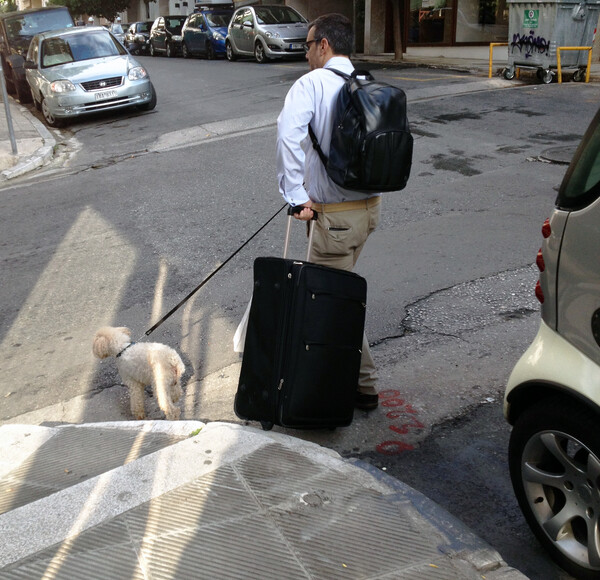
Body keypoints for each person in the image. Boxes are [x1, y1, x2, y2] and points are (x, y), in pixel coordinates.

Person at [276, 13, 381, 411]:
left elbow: (288, 136)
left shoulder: (314, 84)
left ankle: (363, 385)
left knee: (331, 301)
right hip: (369, 210)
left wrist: (296, 195)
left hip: (335, 217)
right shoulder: (366, 82)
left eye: (307, 45)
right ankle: (347, 376)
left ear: (323, 46)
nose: (305, 54)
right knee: (339, 292)